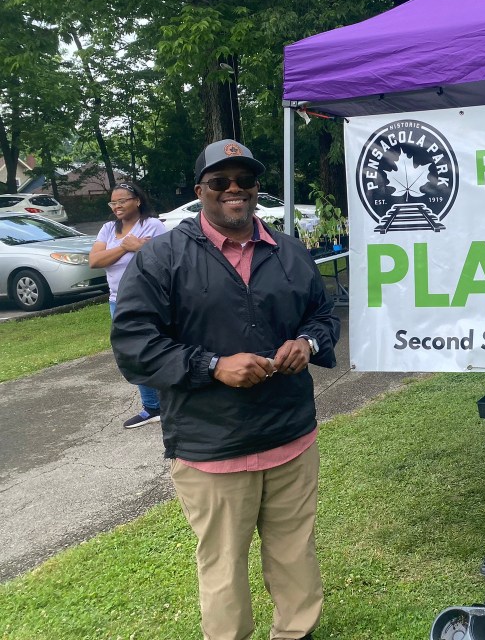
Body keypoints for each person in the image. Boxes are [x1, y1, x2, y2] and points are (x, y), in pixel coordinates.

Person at [110, 139, 341, 640]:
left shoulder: (289, 251)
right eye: (221, 182)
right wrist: (212, 365)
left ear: (257, 188)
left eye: (245, 181)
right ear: (201, 192)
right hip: (212, 445)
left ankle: (296, 633)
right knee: (224, 569)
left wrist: (307, 341)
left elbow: (323, 316)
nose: (235, 190)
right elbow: (133, 345)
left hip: (290, 437)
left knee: (295, 553)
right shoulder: (163, 257)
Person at [89, 182, 168, 429]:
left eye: (122, 200)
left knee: (163, 348)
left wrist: (142, 247)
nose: (117, 206)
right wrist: (125, 246)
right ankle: (151, 407)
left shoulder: (152, 225)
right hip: (118, 303)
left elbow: (168, 255)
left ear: (137, 201)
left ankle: (174, 402)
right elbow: (95, 261)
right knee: (133, 354)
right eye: (113, 202)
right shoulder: (108, 229)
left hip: (152, 299)